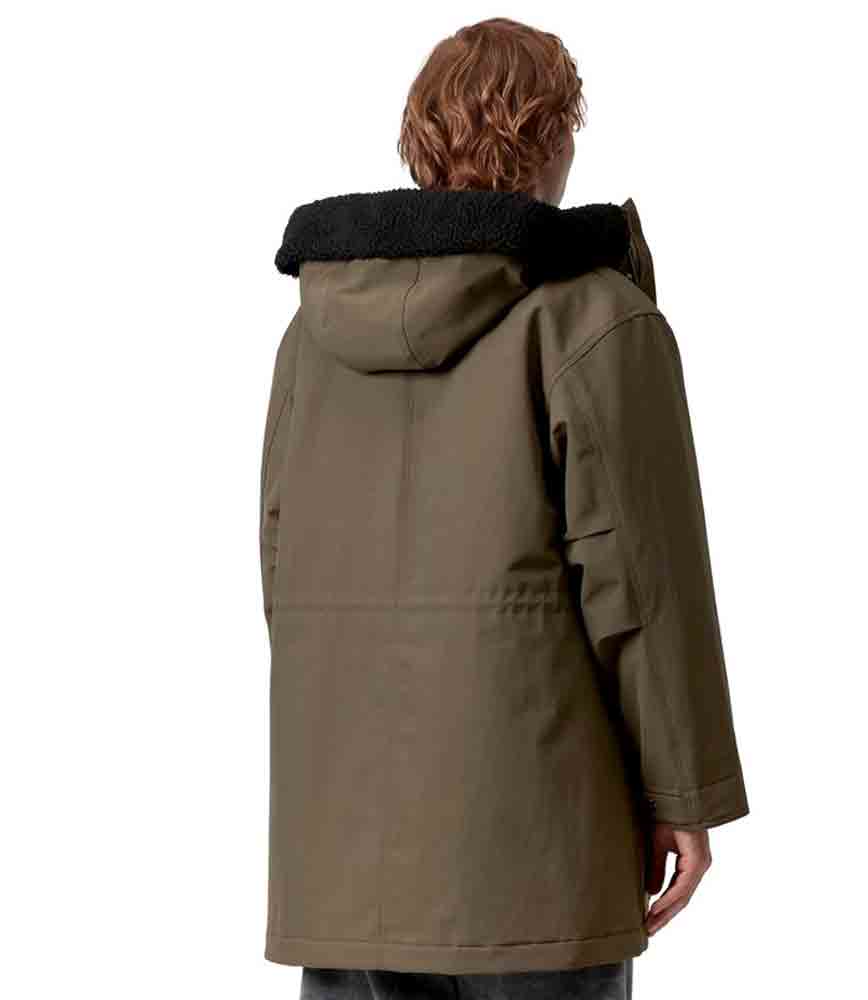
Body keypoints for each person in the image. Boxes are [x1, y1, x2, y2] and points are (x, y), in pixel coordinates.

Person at [260, 17, 748, 1000]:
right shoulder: (593, 317)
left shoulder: (311, 336)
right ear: (554, 137)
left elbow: (282, 565)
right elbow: (642, 586)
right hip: (538, 859)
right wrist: (685, 794)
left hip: (343, 856)